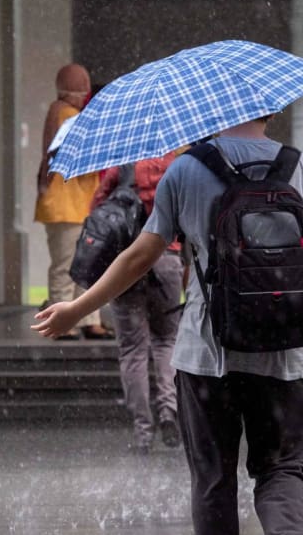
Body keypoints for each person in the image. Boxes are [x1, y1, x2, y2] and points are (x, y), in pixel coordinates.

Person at [32, 116, 303, 535]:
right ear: (268, 110)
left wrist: (76, 307)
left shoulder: (188, 169)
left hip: (207, 357)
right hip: (285, 354)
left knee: (213, 479)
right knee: (282, 470)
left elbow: (139, 257)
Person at [90, 153, 184, 452]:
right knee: (166, 341)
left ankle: (143, 431)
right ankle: (169, 410)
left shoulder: (122, 166)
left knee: (133, 349)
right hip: (167, 258)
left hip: (127, 263)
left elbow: (97, 210)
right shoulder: (178, 167)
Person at [33, 63, 112, 340]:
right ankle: (71, 321)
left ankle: (81, 320)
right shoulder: (68, 116)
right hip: (69, 206)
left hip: (69, 206)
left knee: (72, 265)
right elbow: (86, 161)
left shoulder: (60, 114)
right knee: (73, 266)